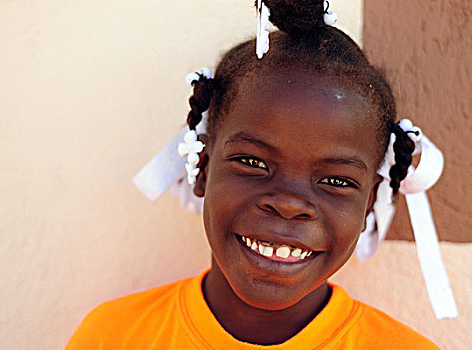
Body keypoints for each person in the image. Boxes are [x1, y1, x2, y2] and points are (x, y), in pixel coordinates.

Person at [66, 1, 440, 348]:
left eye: (337, 181)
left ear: (370, 201)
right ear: (204, 168)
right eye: (253, 163)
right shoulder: (111, 336)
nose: (289, 205)